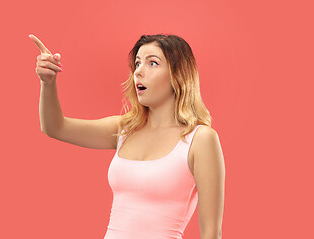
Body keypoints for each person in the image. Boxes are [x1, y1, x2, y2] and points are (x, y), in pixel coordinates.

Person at [29, 33, 225, 239]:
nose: (139, 71)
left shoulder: (200, 139)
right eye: (138, 63)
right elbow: (54, 127)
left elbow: (211, 233)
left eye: (153, 63)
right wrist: (48, 83)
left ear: (179, 74)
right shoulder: (125, 128)